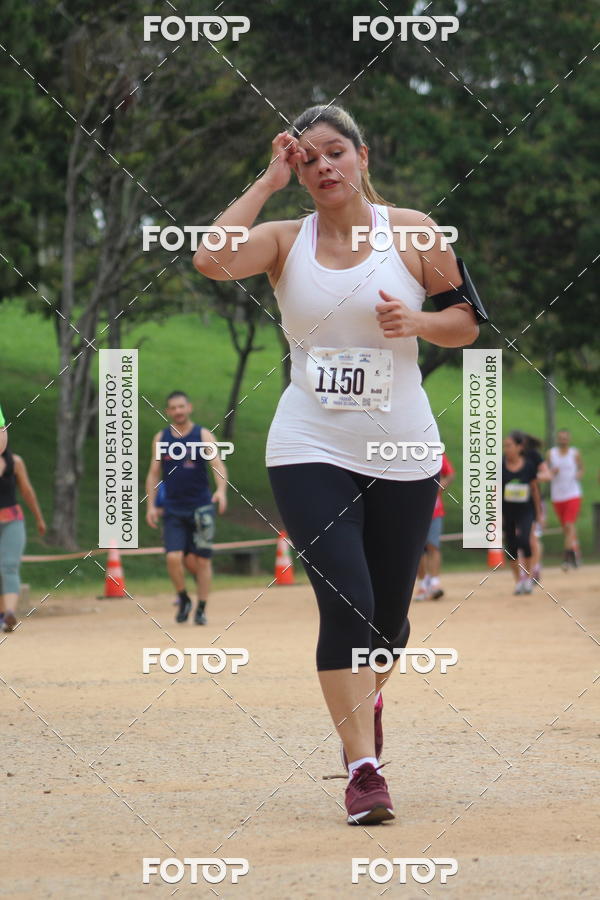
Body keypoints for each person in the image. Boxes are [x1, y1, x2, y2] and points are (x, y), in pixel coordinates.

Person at [193, 105, 483, 825]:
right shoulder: (286, 241)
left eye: (335, 153)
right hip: (310, 445)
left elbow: (468, 322)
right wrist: (264, 181)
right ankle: (361, 770)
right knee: (345, 602)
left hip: (404, 446)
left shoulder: (414, 231)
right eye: (308, 159)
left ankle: (368, 696)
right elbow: (210, 257)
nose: (323, 167)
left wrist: (417, 323)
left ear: (361, 156)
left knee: (389, 621)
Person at [145, 391, 228, 625]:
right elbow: (153, 474)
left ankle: (201, 607)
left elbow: (217, 464)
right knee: (173, 557)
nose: (178, 411)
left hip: (201, 508)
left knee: (202, 561)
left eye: (182, 406)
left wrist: (221, 490)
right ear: (167, 412)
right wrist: (150, 505)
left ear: (189, 407)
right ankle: (183, 598)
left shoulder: (203, 435)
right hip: (173, 508)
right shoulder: (161, 438)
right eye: (173, 407)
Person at [0, 441, 46, 632]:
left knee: (9, 566)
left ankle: (9, 612)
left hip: (12, 520)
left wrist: (39, 518)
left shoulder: (15, 462)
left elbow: (27, 491)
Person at [502, 432, 542, 594]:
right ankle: (518, 581)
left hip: (526, 511)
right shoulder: (501, 466)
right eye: (505, 446)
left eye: (510, 445)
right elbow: (495, 490)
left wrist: (538, 512)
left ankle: (528, 576)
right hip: (508, 512)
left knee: (525, 540)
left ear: (519, 447)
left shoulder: (528, 466)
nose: (506, 449)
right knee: (511, 546)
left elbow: (534, 489)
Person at [415, 451, 455, 601]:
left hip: (434, 510)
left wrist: (437, 488)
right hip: (413, 510)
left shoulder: (435, 452)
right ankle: (423, 584)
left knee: (433, 546)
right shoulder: (406, 452)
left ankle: (435, 583)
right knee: (418, 549)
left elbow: (449, 474)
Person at [547, 429, 584, 570]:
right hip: (557, 496)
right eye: (561, 438)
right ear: (558, 439)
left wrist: (579, 474)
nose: (563, 440)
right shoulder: (551, 454)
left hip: (573, 494)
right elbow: (546, 472)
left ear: (569, 439)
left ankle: (566, 558)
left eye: (565, 438)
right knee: (567, 529)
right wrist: (552, 472)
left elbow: (581, 468)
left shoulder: (574, 453)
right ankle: (576, 554)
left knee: (569, 524)